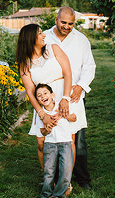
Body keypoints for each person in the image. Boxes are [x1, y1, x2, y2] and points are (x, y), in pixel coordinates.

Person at [44, 6, 96, 191]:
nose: (67, 26)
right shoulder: (44, 37)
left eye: (71, 24)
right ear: (56, 19)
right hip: (50, 97)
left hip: (74, 96)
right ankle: (56, 177)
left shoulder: (81, 40)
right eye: (63, 22)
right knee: (52, 137)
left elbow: (89, 67)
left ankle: (82, 178)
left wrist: (81, 86)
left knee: (78, 140)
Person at [16, 22, 73, 179]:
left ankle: (66, 181)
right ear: (30, 39)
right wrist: (42, 113)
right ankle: (49, 179)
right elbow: (29, 91)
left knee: (67, 140)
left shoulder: (53, 49)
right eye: (40, 33)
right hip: (42, 103)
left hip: (62, 97)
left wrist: (65, 99)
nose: (44, 35)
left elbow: (68, 73)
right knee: (41, 143)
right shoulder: (24, 63)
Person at [35, 83, 76, 198]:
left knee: (65, 170)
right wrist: (47, 130)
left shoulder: (61, 106)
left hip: (66, 143)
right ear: (38, 100)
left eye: (45, 93)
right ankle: (46, 194)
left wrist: (63, 115)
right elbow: (41, 131)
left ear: (52, 95)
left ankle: (58, 195)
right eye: (39, 96)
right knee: (49, 170)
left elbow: (74, 118)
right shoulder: (41, 114)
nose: (43, 96)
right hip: (50, 144)